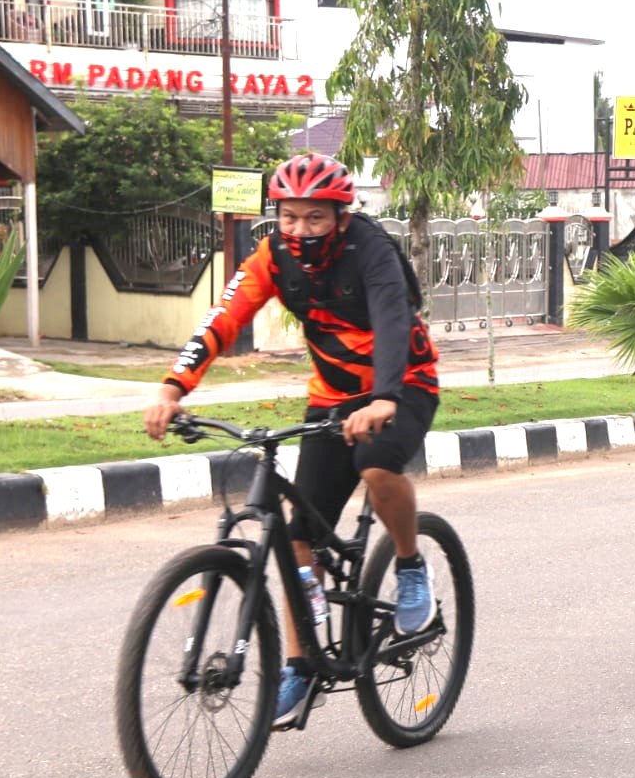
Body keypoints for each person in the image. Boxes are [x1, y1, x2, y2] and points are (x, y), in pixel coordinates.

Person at [143, 153, 441, 727]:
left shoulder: (371, 250)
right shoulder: (272, 256)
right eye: (289, 217)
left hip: (402, 384)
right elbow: (222, 319)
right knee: (298, 531)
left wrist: (383, 397)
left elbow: (393, 322)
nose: (299, 230)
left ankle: (408, 566)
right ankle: (302, 669)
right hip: (331, 397)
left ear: (340, 216)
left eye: (314, 219)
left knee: (378, 467)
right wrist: (173, 387)